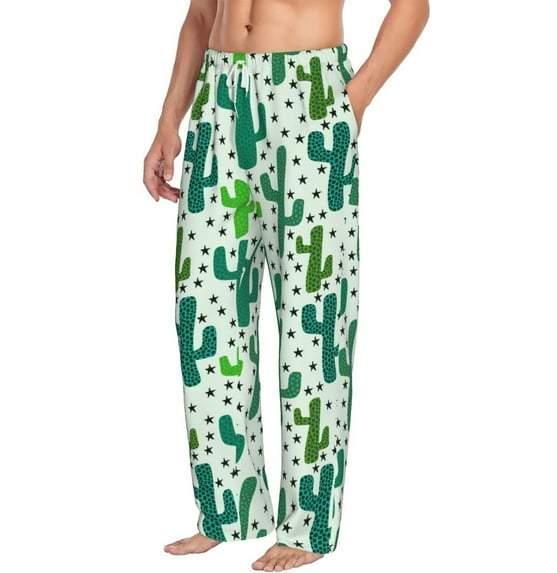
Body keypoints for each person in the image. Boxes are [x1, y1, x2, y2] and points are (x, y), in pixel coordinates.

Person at [143, 0, 429, 570]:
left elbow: (413, 6)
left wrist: (354, 99)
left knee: (313, 318)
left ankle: (309, 524)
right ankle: (227, 510)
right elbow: (200, 15)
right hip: (219, 97)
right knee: (205, 314)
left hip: (309, 92)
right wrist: (168, 122)